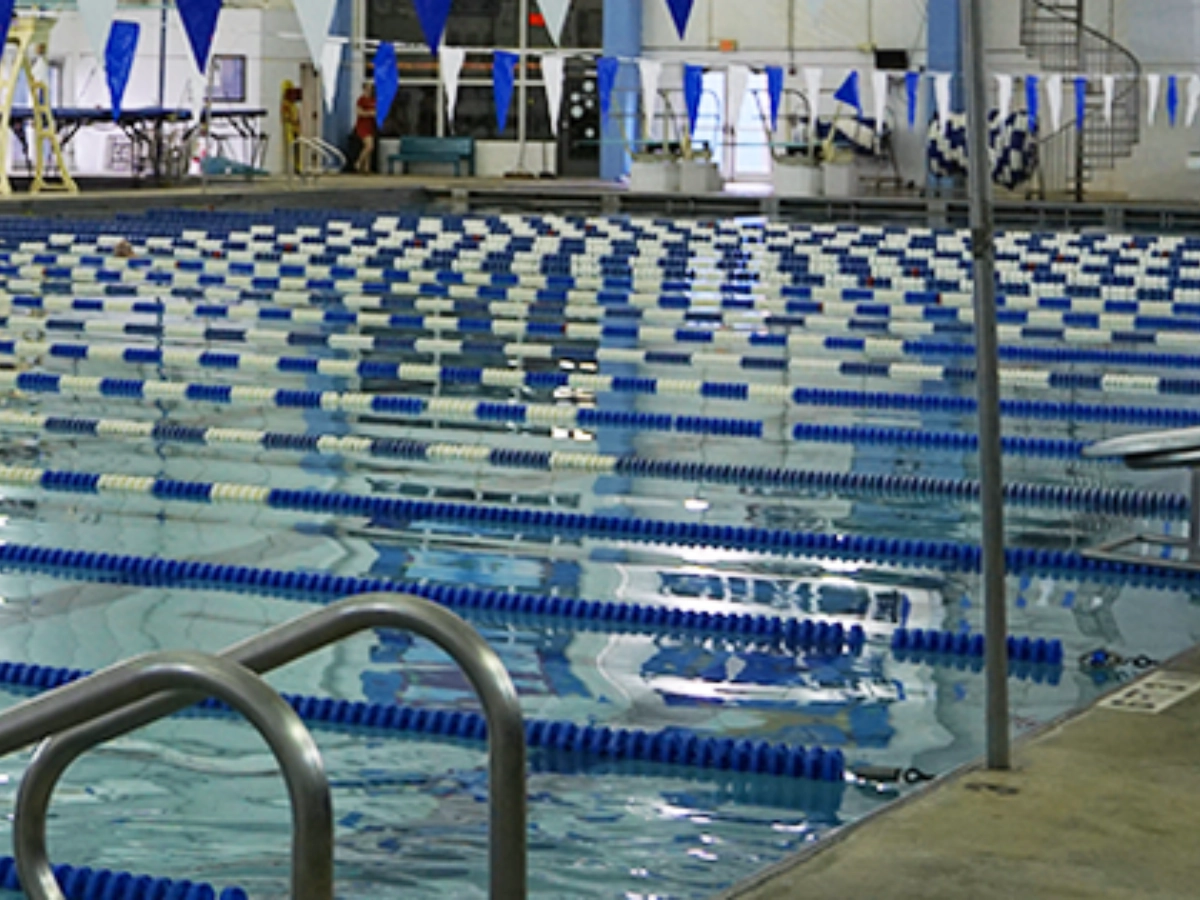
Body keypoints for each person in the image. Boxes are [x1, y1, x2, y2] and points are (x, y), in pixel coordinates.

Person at [355, 82, 377, 174]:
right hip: (362, 126)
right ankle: (358, 162)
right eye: (367, 88)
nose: (369, 90)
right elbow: (359, 112)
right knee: (369, 146)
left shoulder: (373, 100)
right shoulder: (361, 100)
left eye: (370, 88)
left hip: (370, 126)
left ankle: (366, 168)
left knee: (369, 147)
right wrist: (369, 114)